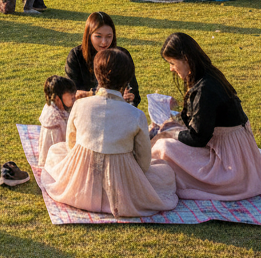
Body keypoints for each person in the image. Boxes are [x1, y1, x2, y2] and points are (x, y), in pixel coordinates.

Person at [42, 48, 178, 217]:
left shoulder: (80, 105)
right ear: (126, 80)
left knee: (56, 151)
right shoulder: (136, 114)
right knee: (164, 173)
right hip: (122, 185)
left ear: (97, 76)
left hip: (82, 182)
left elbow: (71, 144)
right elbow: (143, 162)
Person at [151, 32, 261, 200]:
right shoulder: (208, 75)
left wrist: (170, 133)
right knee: (169, 130)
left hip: (230, 166)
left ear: (185, 59)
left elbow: (198, 138)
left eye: (172, 63)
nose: (171, 68)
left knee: (163, 146)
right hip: (239, 154)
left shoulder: (205, 89)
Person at [65, 12, 140, 105]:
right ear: (89, 35)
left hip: (117, 111)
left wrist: (129, 98)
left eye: (109, 36)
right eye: (98, 36)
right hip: (86, 111)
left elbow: (134, 92)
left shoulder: (122, 55)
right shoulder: (76, 56)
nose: (104, 42)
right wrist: (100, 94)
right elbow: (71, 94)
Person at [38, 74, 76, 165]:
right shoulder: (54, 123)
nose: (74, 100)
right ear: (58, 99)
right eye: (72, 98)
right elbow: (58, 151)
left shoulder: (59, 108)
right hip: (56, 160)